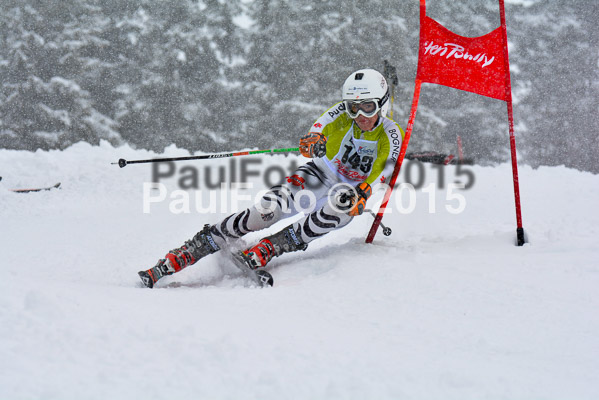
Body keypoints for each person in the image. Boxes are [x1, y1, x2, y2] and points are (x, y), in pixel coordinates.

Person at [139, 68, 405, 288]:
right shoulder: (342, 114)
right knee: (266, 211)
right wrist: (313, 141)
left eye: (367, 107)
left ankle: (271, 247)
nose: (360, 116)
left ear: (381, 104)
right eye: (353, 108)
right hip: (319, 174)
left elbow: (387, 168)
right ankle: (200, 244)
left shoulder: (390, 133)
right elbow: (320, 127)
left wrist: (363, 192)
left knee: (339, 206)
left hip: (349, 191)